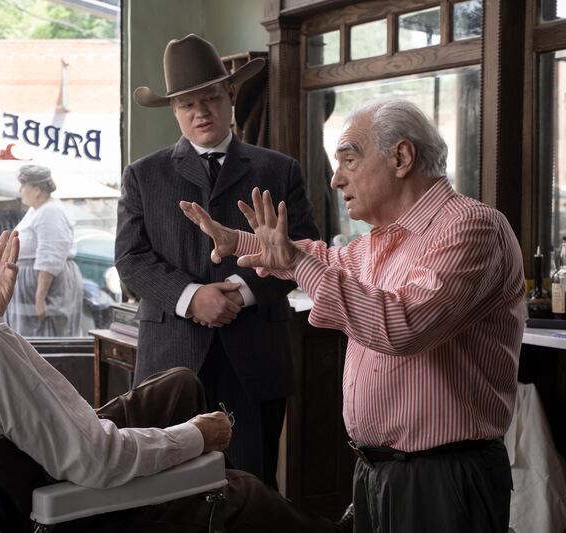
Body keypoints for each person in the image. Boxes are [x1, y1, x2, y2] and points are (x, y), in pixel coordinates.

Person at [0, 186, 334, 533]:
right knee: (239, 490)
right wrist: (195, 437)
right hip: (56, 504)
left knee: (180, 385)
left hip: (9, 476)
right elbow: (97, 460)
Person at [180, 98, 526, 533]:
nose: (335, 177)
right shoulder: (379, 241)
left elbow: (401, 327)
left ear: (401, 157)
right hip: (380, 471)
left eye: (348, 159)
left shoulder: (471, 228)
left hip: (443, 477)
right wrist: (242, 241)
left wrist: (297, 262)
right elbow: (322, 258)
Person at [116, 33, 319, 488]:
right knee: (169, 494)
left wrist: (243, 294)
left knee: (252, 490)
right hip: (172, 361)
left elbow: (306, 247)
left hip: (255, 355)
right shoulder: (144, 175)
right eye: (188, 104)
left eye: (209, 98)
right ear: (174, 111)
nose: (200, 112)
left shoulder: (278, 169)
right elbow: (130, 259)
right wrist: (192, 298)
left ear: (231, 95)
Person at [5, 164, 83, 337]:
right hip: (31, 284)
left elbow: (50, 257)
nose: (20, 190)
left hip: (46, 287)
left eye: (24, 186)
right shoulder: (37, 209)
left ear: (37, 190)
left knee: (46, 333)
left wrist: (40, 299)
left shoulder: (51, 211)